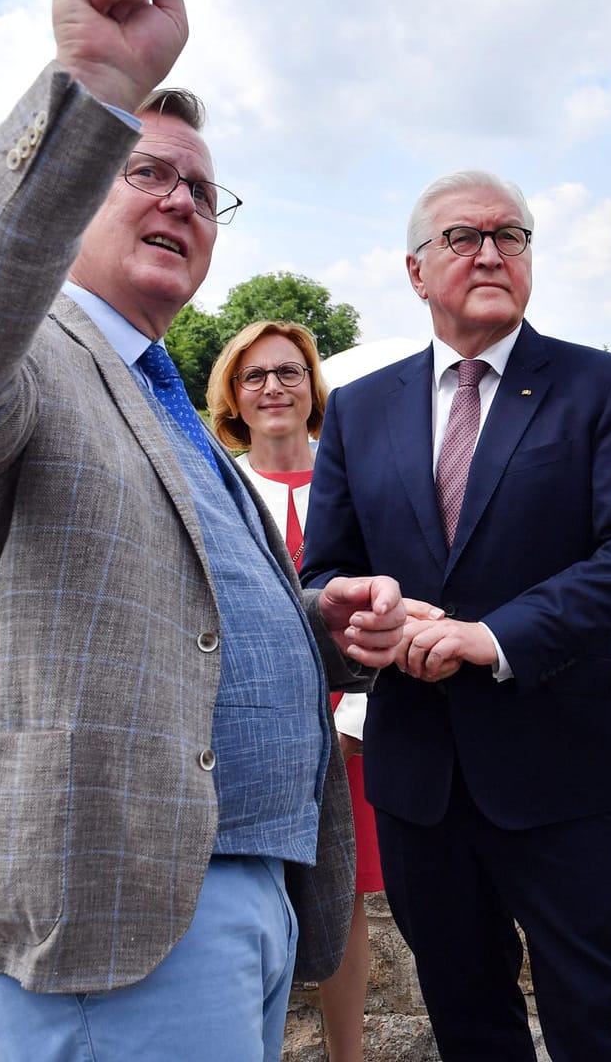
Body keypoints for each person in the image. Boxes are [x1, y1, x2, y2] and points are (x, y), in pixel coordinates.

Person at [0, 0, 413, 1058]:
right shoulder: (24, 355)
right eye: (148, 171)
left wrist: (315, 622)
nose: (185, 201)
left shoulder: (164, 394)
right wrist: (96, 86)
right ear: (72, 190)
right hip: (102, 922)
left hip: (237, 898)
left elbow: (175, 606)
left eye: (204, 189)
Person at [301, 162, 611, 1060]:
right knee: (468, 1018)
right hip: (420, 777)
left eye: (510, 236)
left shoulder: (601, 387)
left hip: (560, 774)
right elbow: (326, 577)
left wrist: (493, 636)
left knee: (599, 1015)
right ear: (415, 269)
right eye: (463, 238)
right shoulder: (359, 409)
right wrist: (370, 621)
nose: (490, 253)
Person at [206, 320, 382, 1062]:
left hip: (358, 734)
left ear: (313, 389)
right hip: (253, 735)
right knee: (255, 903)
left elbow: (379, 611)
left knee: (343, 906)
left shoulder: (362, 483)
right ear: (233, 399)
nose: (274, 387)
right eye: (255, 377)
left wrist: (354, 721)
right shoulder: (214, 486)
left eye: (289, 372)